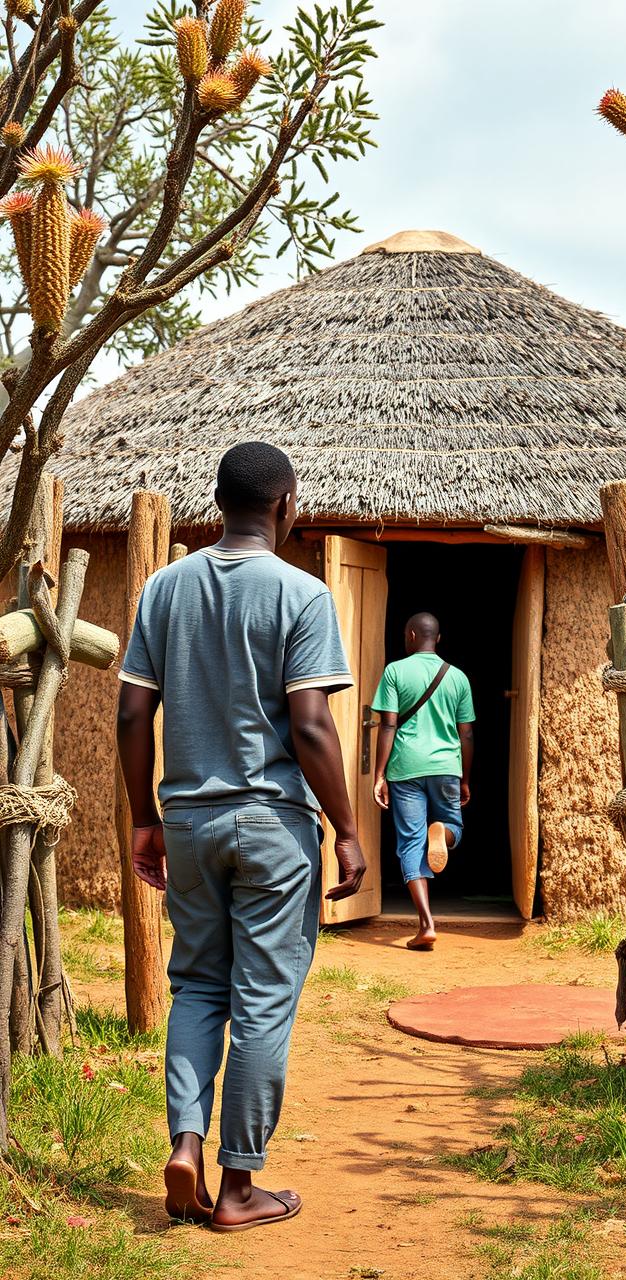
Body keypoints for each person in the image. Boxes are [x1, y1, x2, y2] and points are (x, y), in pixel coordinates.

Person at [116, 441, 365, 1232]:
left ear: (217, 502)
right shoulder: (302, 594)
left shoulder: (163, 589)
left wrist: (146, 820)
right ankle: (237, 1189)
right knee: (261, 1003)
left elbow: (130, 715)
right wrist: (349, 829)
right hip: (272, 826)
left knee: (197, 986)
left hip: (186, 822)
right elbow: (313, 725)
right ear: (287, 505)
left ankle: (184, 1143)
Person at [371, 612, 474, 950]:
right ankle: (441, 832)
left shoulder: (395, 671)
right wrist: (465, 778)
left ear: (411, 634)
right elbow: (467, 734)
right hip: (446, 765)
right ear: (438, 639)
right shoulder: (458, 677)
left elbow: (387, 725)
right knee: (454, 825)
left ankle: (426, 925)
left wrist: (379, 774)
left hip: (405, 768)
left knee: (410, 843)